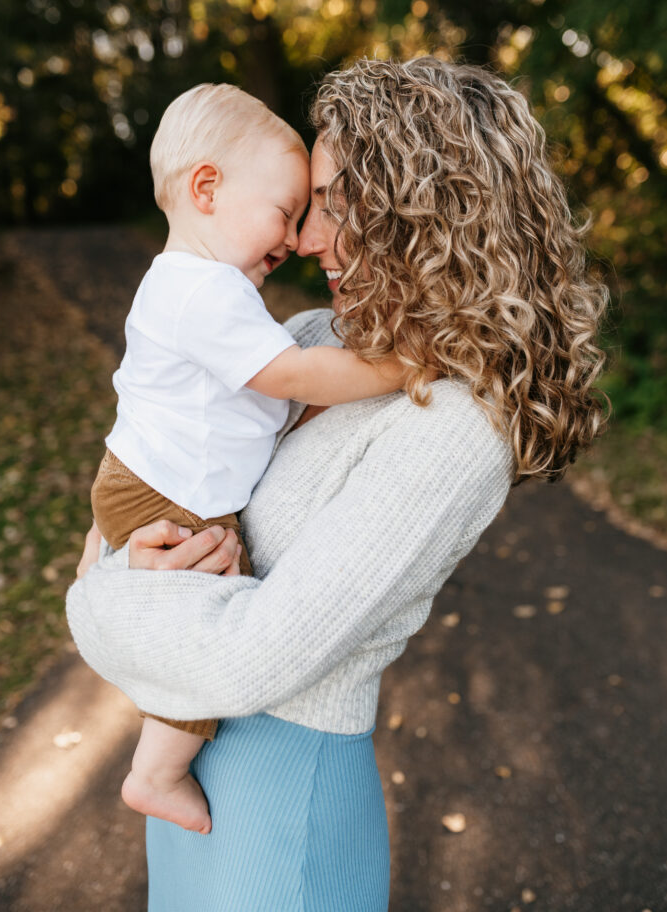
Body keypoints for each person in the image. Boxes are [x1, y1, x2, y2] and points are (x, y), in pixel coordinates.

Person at [67, 57, 607, 912]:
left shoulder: (455, 425)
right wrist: (114, 574)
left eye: (334, 203)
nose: (305, 237)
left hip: (281, 809)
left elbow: (250, 658)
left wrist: (94, 604)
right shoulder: (316, 334)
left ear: (421, 214)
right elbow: (139, 494)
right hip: (185, 769)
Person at [90, 82, 408, 836]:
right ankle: (155, 772)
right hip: (170, 498)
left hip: (143, 479)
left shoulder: (192, 287)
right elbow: (290, 377)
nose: (295, 237)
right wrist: (400, 370)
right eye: (286, 211)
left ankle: (156, 764)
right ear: (207, 189)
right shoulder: (203, 293)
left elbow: (258, 404)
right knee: (206, 620)